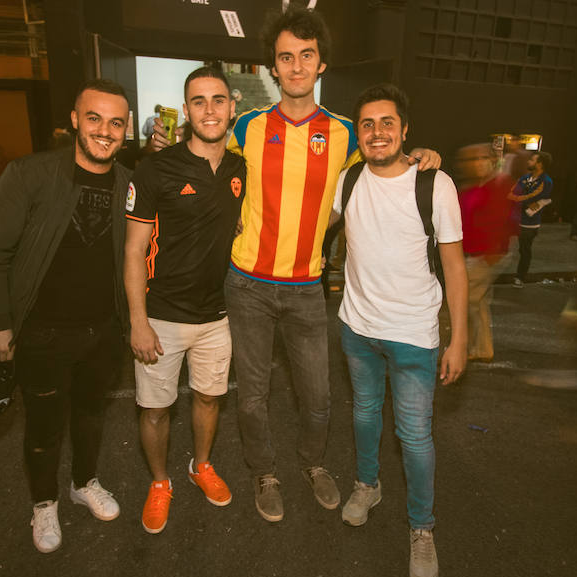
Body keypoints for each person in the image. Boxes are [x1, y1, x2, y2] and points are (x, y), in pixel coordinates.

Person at [147, 6, 440, 523]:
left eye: (307, 56)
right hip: (247, 287)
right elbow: (204, 157)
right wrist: (164, 150)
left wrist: (419, 154)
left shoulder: (347, 134)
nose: (297, 66)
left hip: (307, 289)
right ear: (272, 68)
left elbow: (381, 166)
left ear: (321, 64)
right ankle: (264, 471)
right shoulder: (246, 127)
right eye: (286, 57)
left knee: (319, 397)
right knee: (253, 396)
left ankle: (313, 463)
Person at [0, 79, 132, 553]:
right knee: (43, 426)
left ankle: (83, 483)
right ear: (74, 120)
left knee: (90, 417)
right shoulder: (29, 174)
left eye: (116, 122)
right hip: (41, 334)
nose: (104, 130)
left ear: (126, 130)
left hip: (104, 331)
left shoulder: (129, 182)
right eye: (94, 118)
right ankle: (43, 504)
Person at [329, 83, 467, 577]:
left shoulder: (434, 184)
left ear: (405, 129)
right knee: (364, 414)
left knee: (414, 437)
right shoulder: (347, 181)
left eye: (387, 122)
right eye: (367, 124)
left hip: (414, 336)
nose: (377, 131)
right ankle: (368, 485)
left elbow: (454, 268)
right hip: (357, 328)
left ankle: (422, 528)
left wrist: (459, 340)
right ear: (357, 133)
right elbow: (313, 225)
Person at [124, 66, 244, 534]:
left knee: (210, 400)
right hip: (162, 316)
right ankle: (159, 482)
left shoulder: (241, 167)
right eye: (198, 101)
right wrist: (138, 320)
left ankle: (201, 465)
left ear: (233, 106)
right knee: (155, 408)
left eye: (218, 100)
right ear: (186, 109)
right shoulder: (155, 167)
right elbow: (133, 249)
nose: (209, 110)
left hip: (219, 316)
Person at [455, 143, 515, 361]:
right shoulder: (473, 186)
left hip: (486, 254)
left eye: (481, 158)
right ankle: (481, 347)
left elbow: (503, 220)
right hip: (474, 252)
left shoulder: (499, 185)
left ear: (492, 160)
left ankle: (465, 346)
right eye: (471, 160)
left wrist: (494, 250)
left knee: (463, 299)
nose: (477, 164)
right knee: (476, 301)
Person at [509, 151, 553, 288]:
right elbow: (512, 194)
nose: (529, 162)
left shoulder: (546, 181)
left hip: (530, 223)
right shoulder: (525, 178)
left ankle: (520, 277)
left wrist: (521, 201)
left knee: (525, 250)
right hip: (516, 219)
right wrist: (523, 201)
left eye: (532, 160)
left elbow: (537, 199)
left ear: (540, 164)